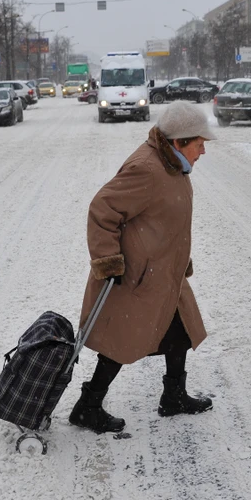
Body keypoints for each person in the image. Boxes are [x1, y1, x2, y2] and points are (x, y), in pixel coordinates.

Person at [69, 101, 216, 434]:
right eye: (199, 143)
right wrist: (108, 261)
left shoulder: (172, 166)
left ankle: (174, 396)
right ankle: (87, 407)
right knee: (123, 339)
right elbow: (102, 210)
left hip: (165, 272)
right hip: (138, 277)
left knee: (180, 331)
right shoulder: (147, 169)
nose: (203, 150)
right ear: (179, 141)